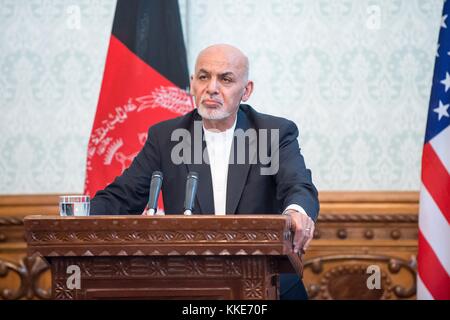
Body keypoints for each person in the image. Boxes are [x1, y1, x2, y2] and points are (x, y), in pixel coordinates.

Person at [90, 44, 319, 299]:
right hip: (192, 286)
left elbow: (299, 186)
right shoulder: (165, 137)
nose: (211, 87)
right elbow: (122, 197)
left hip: (269, 283)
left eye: (225, 79)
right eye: (203, 76)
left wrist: (296, 212)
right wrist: (75, 217)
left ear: (247, 90)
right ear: (192, 85)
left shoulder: (273, 133)